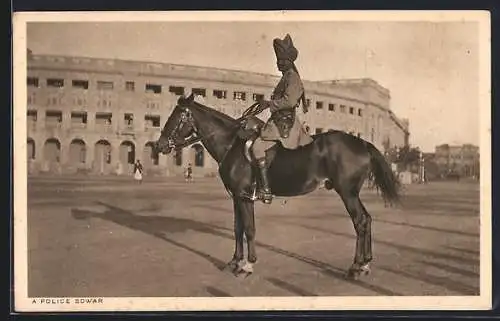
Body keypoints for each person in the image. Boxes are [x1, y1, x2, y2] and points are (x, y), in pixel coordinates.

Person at [250, 34, 312, 204]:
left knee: (257, 147)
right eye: (278, 60)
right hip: (279, 121)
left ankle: (266, 190)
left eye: (281, 61)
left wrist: (269, 103)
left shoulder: (292, 77)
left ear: (288, 62)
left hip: (284, 124)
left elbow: (290, 101)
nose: (278, 64)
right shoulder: (287, 77)